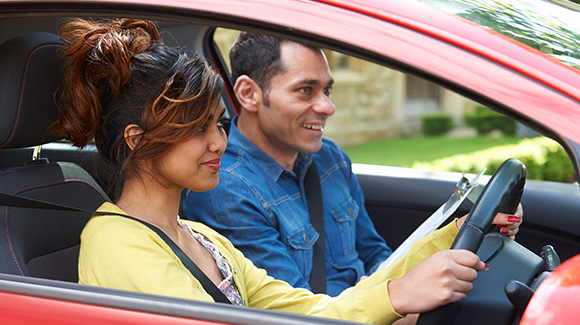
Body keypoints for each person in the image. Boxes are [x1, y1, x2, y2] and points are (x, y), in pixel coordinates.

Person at [51, 18, 521, 324]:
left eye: (218, 122)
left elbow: (317, 312)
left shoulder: (202, 238)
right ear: (137, 140)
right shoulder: (115, 241)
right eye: (196, 128)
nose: (219, 141)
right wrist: (397, 297)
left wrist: (453, 237)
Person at [181, 32, 523, 297]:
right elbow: (296, 310)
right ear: (248, 94)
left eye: (327, 90)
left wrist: (461, 233)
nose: (327, 107)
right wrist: (403, 304)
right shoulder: (225, 188)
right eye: (305, 91)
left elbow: (375, 255)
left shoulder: (329, 157)